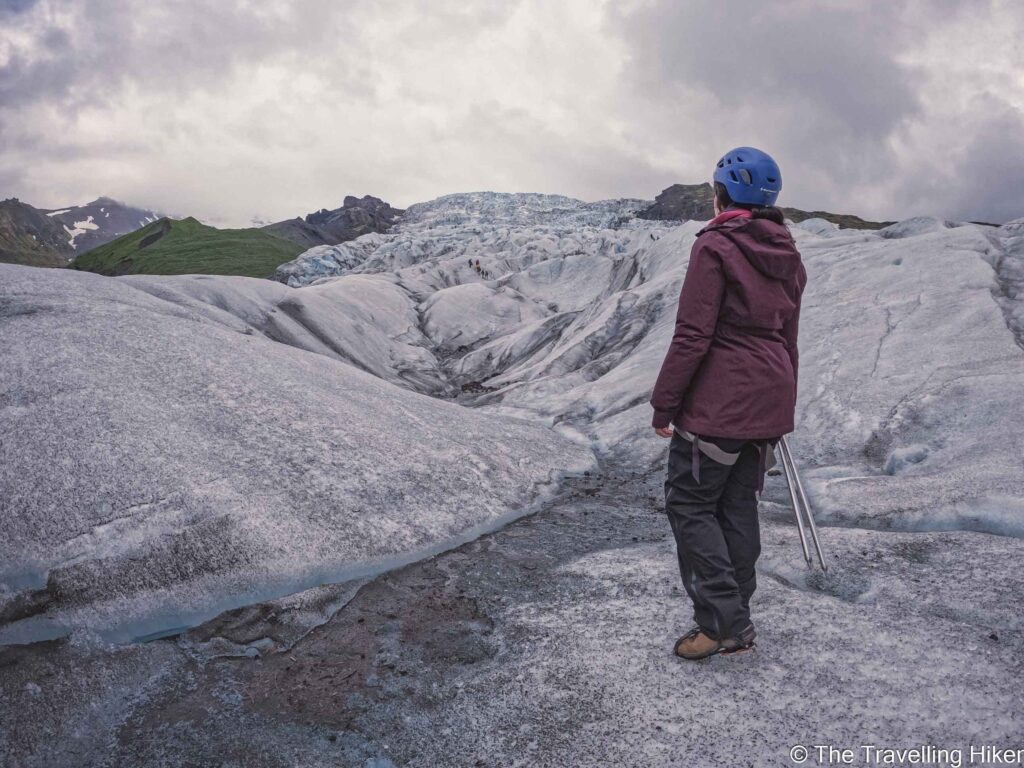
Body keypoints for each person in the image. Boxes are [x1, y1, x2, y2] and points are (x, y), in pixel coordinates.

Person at [650, 146, 805, 660]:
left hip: (721, 400)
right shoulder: (786, 250)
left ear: (722, 194)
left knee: (691, 504)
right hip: (766, 398)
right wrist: (781, 407)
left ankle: (722, 624)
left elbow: (693, 334)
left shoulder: (715, 246)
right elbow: (789, 336)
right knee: (737, 505)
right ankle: (735, 610)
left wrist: (664, 404)